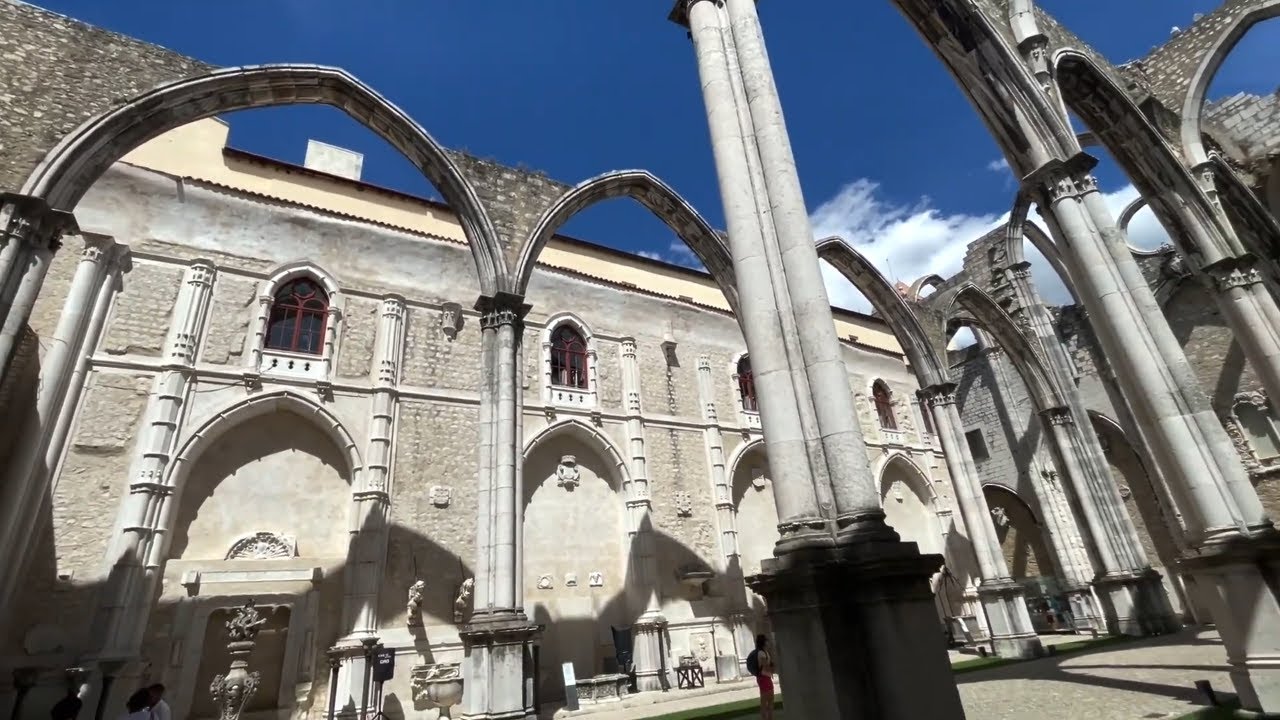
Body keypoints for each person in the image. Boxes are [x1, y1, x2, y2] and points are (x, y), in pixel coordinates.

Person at [747, 634, 775, 720]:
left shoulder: (764, 652)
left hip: (765, 677)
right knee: (766, 700)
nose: (768, 642)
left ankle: (769, 718)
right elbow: (766, 666)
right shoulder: (761, 653)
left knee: (768, 700)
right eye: (766, 641)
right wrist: (774, 668)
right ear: (764, 642)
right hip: (764, 678)